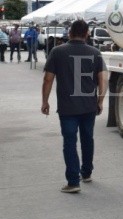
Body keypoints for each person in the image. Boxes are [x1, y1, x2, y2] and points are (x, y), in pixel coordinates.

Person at [41, 20, 106, 193]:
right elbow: (102, 79)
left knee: (69, 142)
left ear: (69, 33)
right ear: (87, 33)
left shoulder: (57, 51)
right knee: (87, 139)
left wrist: (45, 101)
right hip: (88, 106)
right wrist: (100, 100)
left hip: (67, 107)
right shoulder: (96, 53)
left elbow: (48, 79)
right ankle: (86, 173)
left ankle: (73, 182)